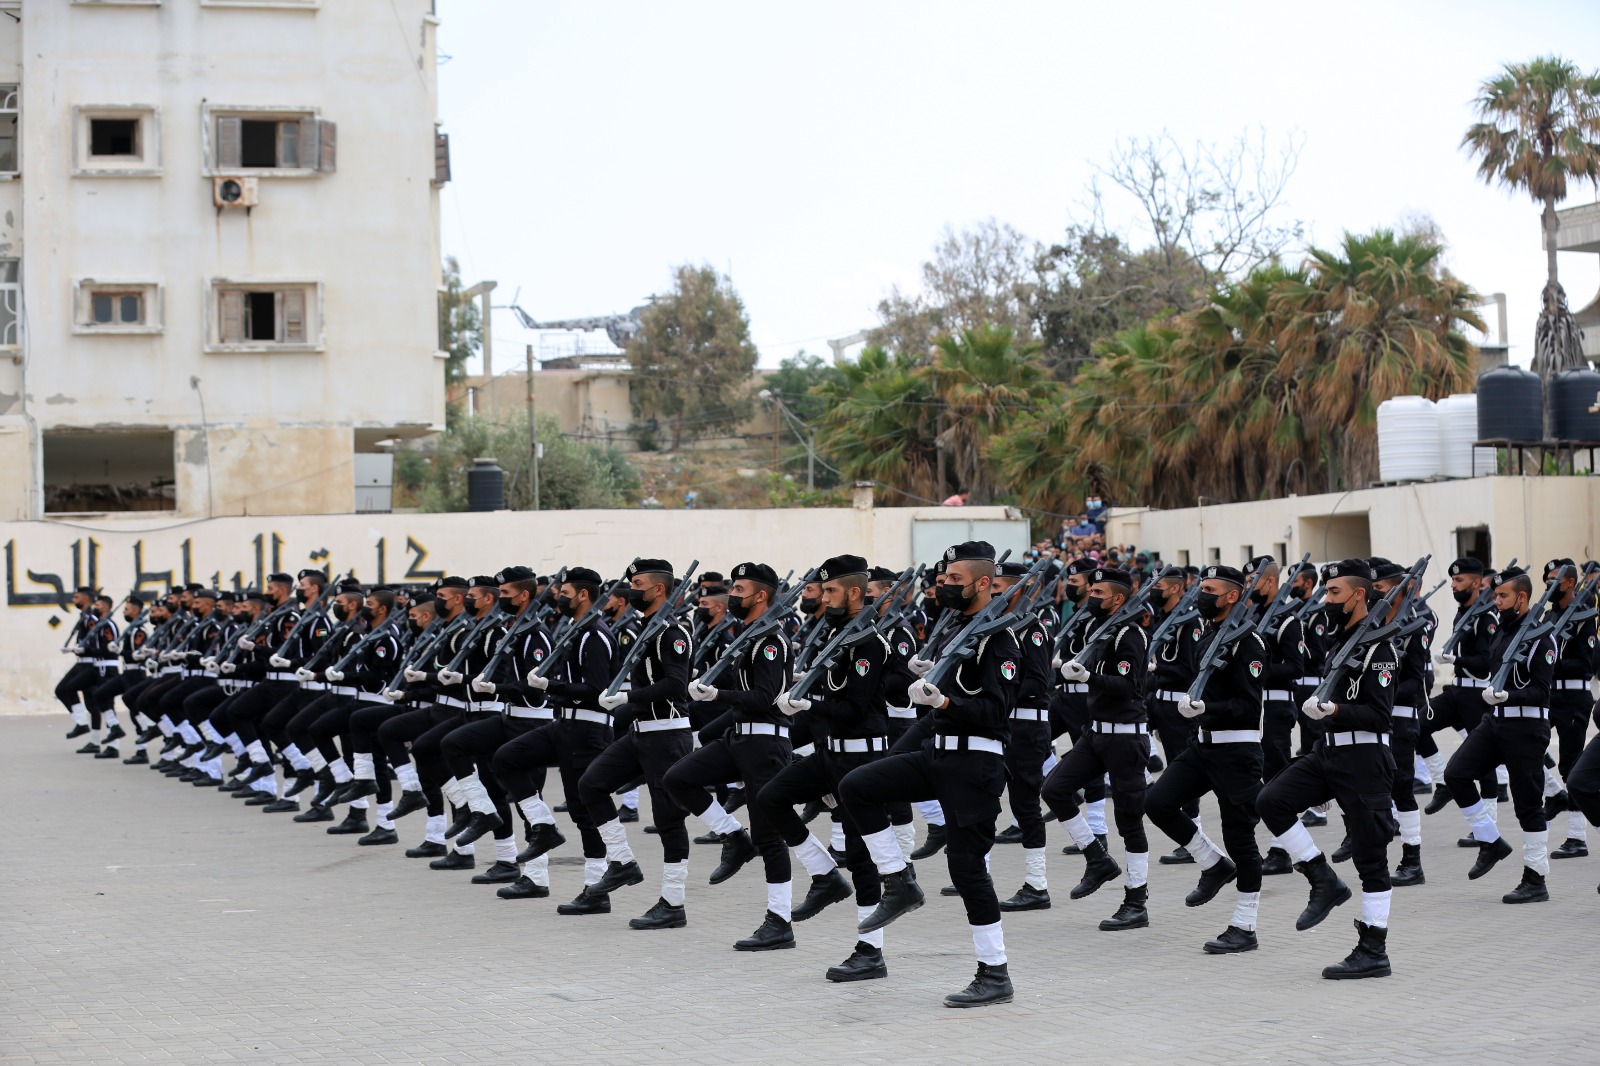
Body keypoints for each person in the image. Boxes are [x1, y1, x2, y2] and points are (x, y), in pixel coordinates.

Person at [837, 540, 1021, 1008]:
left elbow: (997, 709)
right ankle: (899, 882)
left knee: (966, 870)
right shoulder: (955, 629)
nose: (944, 585)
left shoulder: (999, 638)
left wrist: (943, 701)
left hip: (975, 763)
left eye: (955, 579)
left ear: (983, 583)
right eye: (944, 578)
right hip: (936, 752)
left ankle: (994, 971)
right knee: (857, 786)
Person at [1256, 559, 1400, 979]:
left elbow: (1379, 715)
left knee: (1371, 860)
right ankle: (1322, 878)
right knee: (1272, 800)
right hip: (1328, 753)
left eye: (1334, 592)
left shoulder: (1380, 647)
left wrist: (1334, 708)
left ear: (1359, 594)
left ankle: (1374, 950)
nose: (1326, 599)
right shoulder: (1342, 641)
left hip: (1365, 760)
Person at [758, 554, 892, 981]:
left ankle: (871, 951)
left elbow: (853, 707)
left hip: (862, 755)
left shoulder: (869, 641)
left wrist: (807, 702)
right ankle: (824, 875)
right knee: (771, 798)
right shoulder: (836, 636)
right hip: (831, 752)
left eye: (831, 590)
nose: (823, 597)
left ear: (854, 592)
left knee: (860, 852)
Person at [663, 562, 796, 949]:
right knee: (679, 778)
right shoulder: (748, 636)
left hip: (766, 744)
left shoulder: (770, 640)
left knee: (770, 837)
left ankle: (780, 921)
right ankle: (734, 836)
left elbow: (764, 697)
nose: (732, 595)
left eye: (739, 590)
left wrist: (717, 695)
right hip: (738, 739)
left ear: (761, 596)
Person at [1143, 564, 1269, 955]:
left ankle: (1244, 926)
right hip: (1204, 745)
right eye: (1203, 587)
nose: (1202, 594)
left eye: (1211, 589)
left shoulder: (1249, 642)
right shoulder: (1211, 634)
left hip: (1237, 749)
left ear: (1232, 596)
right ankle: (1212, 863)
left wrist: (1206, 707)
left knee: (1241, 838)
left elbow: (1248, 705)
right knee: (1157, 802)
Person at [582, 559, 697, 928]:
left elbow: (677, 686)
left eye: (638, 583)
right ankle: (622, 862)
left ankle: (673, 903)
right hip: (641, 732)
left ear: (659, 589)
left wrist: (630, 696)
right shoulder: (646, 627)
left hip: (667, 733)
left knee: (668, 818)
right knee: (592, 784)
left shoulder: (672, 632)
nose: (631, 590)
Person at [1046, 566, 1151, 930]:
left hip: (1126, 736)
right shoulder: (1098, 629)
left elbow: (1129, 685)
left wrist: (1088, 676)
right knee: (1055, 789)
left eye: (1099, 592)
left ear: (1119, 599)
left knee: (1129, 822)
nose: (1092, 596)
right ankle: (1096, 857)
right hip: (1095, 733)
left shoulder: (1130, 634)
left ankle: (1136, 901)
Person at [1443, 565, 1557, 903]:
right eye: (1495, 595)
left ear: (1522, 597)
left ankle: (1536, 879)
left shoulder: (1541, 637)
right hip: (1495, 722)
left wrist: (1510, 695)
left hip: (1527, 726)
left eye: (1502, 596)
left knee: (1528, 806)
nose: (1497, 601)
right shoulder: (1502, 632)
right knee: (1456, 774)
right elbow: (1486, 667)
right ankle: (1490, 841)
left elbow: (1541, 690)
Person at [1539, 559, 1597, 858]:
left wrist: (1552, 662)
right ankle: (1554, 792)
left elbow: (1585, 664)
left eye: (1555, 580)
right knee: (1525, 742)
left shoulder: (1584, 616)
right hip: (1549, 697)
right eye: (1546, 579)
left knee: (1571, 764)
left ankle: (1577, 837)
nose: (1549, 584)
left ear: (1571, 582)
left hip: (1574, 697)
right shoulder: (1549, 615)